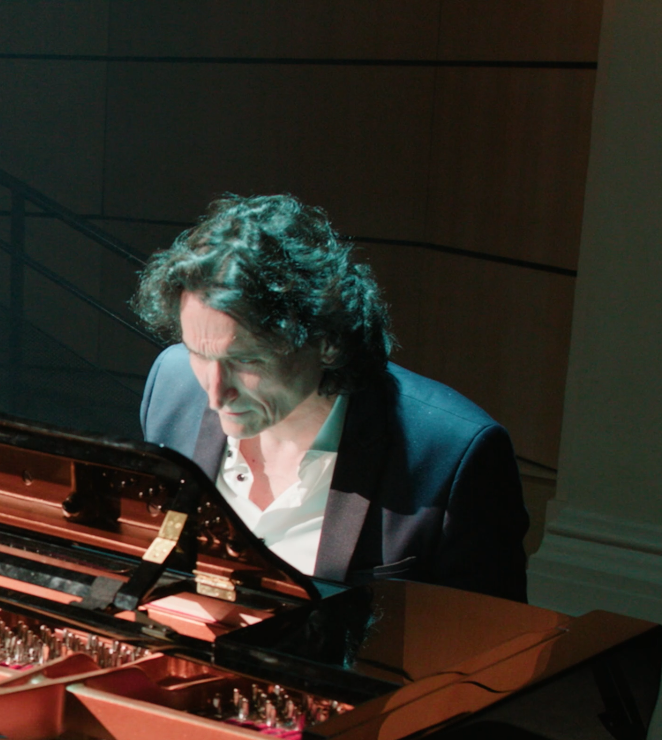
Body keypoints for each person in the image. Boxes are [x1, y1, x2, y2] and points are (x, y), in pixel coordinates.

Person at [133, 194, 528, 601]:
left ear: (327, 342)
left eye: (247, 360)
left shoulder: (455, 454)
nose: (215, 393)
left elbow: (490, 645)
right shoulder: (172, 384)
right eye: (199, 353)